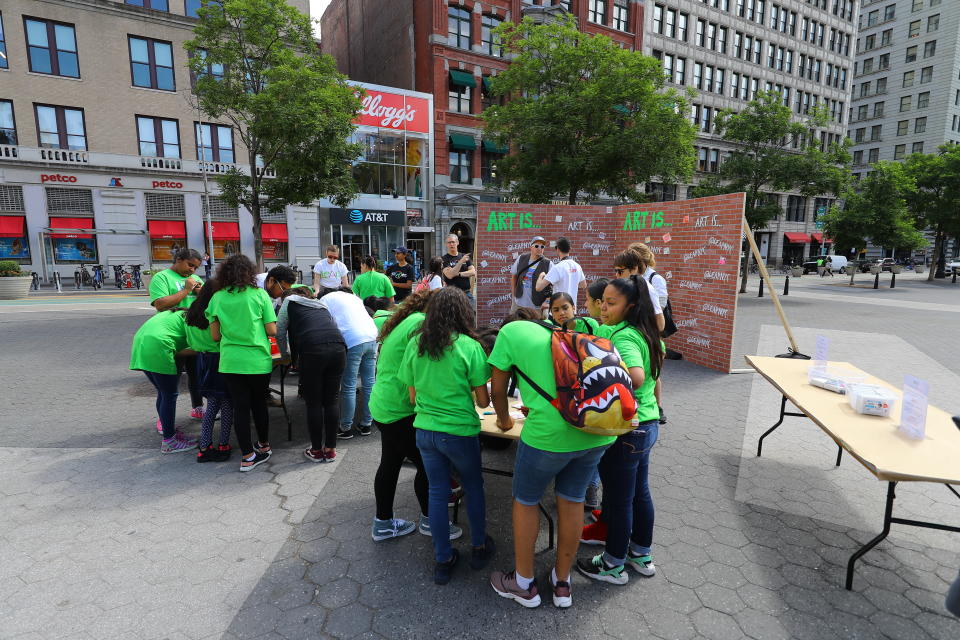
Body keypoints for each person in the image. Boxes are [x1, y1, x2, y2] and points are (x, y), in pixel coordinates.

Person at [487, 318, 616, 609]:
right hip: (597, 429)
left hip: (548, 435)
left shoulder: (510, 332)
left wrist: (504, 420)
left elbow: (497, 389)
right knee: (572, 500)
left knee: (526, 499)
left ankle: (523, 584)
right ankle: (562, 583)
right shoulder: (560, 333)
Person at [399, 287, 494, 584]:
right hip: (459, 432)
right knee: (474, 487)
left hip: (425, 431)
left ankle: (443, 559)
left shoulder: (416, 343)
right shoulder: (470, 346)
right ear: (464, 312)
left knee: (438, 493)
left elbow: (412, 397)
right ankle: (479, 546)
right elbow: (482, 402)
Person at [577, 276, 663, 585]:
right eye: (602, 301)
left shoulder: (625, 339)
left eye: (611, 303)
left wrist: (606, 377)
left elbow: (637, 378)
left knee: (618, 499)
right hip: (648, 424)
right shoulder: (643, 332)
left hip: (628, 430)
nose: (603, 308)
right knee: (639, 493)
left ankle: (613, 563)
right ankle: (641, 553)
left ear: (631, 306)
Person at [370, 291, 446, 543]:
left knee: (390, 463)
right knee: (428, 466)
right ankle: (431, 522)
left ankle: (383, 523)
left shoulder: (406, 320)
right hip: (400, 408)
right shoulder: (420, 324)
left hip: (384, 404)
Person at [205, 255, 277, 472]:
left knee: (240, 408)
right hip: (257, 360)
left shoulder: (217, 298)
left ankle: (247, 456)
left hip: (231, 361)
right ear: (250, 273)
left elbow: (215, 336)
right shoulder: (259, 295)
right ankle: (264, 445)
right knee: (259, 404)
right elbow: (272, 330)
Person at [275, 287, 346, 462]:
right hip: (338, 347)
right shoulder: (321, 305)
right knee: (332, 400)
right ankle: (330, 450)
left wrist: (285, 355)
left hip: (313, 349)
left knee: (313, 402)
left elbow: (280, 330)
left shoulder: (289, 301)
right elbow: (333, 326)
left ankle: (315, 450)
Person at [129, 308, 198, 453]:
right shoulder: (193, 320)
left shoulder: (176, 314)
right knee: (169, 395)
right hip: (159, 345)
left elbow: (180, 348)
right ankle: (169, 442)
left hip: (141, 344)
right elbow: (199, 346)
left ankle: (170, 432)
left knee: (163, 392)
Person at [149, 248, 206, 421]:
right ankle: (164, 421)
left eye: (196, 268)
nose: (192, 271)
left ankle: (198, 408)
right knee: (170, 384)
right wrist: (186, 291)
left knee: (197, 376)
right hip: (172, 337)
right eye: (190, 265)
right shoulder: (161, 277)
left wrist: (201, 293)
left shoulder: (194, 279)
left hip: (194, 336)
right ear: (178, 259)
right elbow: (160, 304)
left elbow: (206, 302)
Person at [316, 287, 379, 438]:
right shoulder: (353, 297)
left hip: (352, 340)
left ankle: (345, 427)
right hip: (372, 337)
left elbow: (326, 325)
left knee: (349, 386)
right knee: (369, 384)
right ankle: (366, 424)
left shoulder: (325, 300)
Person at [184, 281, 234, 463]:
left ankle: (212, 444)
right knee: (223, 403)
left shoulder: (191, 311)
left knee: (215, 403)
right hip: (219, 360)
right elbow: (222, 336)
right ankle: (213, 446)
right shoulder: (214, 312)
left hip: (201, 360)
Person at [536, 237, 586, 306]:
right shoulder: (577, 266)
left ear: (558, 249)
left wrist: (541, 275)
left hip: (558, 310)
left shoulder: (557, 268)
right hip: (571, 310)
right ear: (569, 249)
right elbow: (583, 285)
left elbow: (538, 287)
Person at [510, 236, 552, 316]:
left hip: (537, 305)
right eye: (536, 246)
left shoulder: (548, 263)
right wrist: (514, 294)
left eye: (542, 246)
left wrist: (547, 301)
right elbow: (514, 276)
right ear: (531, 247)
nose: (539, 248)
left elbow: (554, 284)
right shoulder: (521, 258)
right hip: (519, 303)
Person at [441, 234, 476, 299]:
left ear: (457, 243)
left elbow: (473, 272)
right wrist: (461, 262)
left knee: (471, 308)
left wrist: (458, 274)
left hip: (466, 293)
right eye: (449, 242)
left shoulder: (464, 256)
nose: (451, 244)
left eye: (453, 242)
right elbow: (450, 275)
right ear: (446, 244)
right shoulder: (443, 259)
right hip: (451, 294)